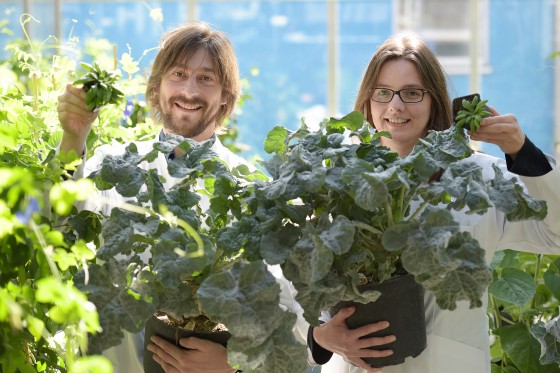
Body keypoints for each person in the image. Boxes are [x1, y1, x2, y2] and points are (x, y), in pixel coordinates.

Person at [305, 33, 560, 373]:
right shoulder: (335, 183)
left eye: (412, 93)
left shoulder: (480, 178)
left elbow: (555, 234)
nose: (395, 106)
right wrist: (318, 338)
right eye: (383, 93)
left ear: (434, 101)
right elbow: (298, 289)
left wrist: (522, 152)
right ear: (367, 100)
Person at [57, 21, 268, 373]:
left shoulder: (247, 188)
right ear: (156, 88)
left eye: (206, 78)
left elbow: (272, 307)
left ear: (227, 97)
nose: (189, 90)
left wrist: (234, 363)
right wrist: (72, 139)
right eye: (179, 73)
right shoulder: (112, 164)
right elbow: (61, 226)